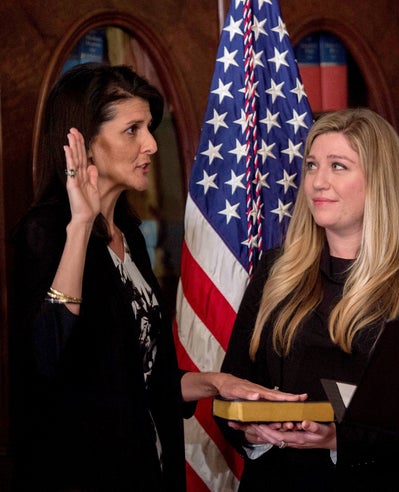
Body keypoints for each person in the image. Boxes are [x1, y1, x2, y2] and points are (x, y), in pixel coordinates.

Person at [9, 63, 303, 491]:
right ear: (84, 142)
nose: (150, 144)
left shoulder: (130, 236)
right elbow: (48, 357)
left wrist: (216, 383)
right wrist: (80, 227)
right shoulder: (46, 232)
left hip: (151, 468)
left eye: (149, 128)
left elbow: (148, 378)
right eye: (132, 130)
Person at [217, 108, 399, 491]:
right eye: (313, 165)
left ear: (377, 179)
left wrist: (339, 438)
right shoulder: (275, 269)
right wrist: (249, 431)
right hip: (284, 479)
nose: (318, 182)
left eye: (338, 166)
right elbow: (235, 383)